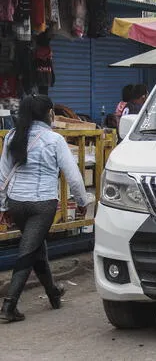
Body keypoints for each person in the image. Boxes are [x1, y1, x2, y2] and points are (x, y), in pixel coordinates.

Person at [0, 94, 92, 323]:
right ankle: (9, 306)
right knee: (27, 251)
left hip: (17, 202)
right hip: (42, 205)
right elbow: (74, 177)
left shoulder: (12, 136)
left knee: (36, 247)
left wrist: (3, 206)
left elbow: (2, 174)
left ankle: (53, 293)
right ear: (47, 113)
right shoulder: (54, 140)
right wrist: (82, 202)